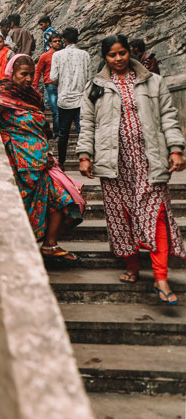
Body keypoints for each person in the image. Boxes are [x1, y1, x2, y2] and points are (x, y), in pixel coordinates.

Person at [78, 35, 185, 304]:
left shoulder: (153, 81)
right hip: (114, 163)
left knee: (157, 213)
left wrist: (175, 149)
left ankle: (161, 277)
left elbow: (168, 118)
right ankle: (132, 266)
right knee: (122, 215)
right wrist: (84, 154)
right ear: (105, 57)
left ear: (130, 53)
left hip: (150, 159)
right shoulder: (96, 87)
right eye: (112, 55)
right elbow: (87, 122)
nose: (118, 59)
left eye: (122, 53)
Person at [0, 54, 82, 262]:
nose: (29, 79)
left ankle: (50, 245)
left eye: (32, 75)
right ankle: (22, 249)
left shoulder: (34, 96)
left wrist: (46, 152)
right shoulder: (2, 94)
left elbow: (42, 128)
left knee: (63, 199)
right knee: (23, 206)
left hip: (42, 161)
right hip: (18, 162)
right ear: (11, 73)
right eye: (24, 74)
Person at [51, 27, 93, 167]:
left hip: (64, 99)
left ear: (64, 40)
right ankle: (85, 160)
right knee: (84, 131)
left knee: (63, 133)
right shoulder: (85, 55)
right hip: (81, 99)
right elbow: (89, 78)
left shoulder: (57, 56)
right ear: (77, 39)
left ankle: (62, 162)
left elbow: (53, 77)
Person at [35, 31, 63, 134]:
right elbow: (38, 71)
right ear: (50, 43)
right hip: (51, 85)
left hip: (63, 85)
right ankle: (57, 132)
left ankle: (60, 131)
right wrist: (34, 86)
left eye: (59, 41)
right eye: (55, 41)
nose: (58, 43)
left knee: (62, 110)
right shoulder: (44, 56)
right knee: (56, 110)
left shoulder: (63, 55)